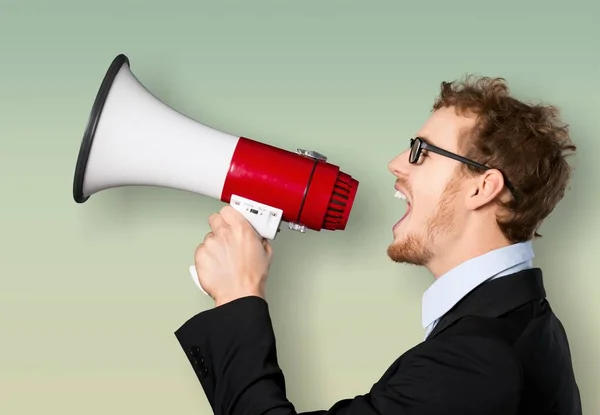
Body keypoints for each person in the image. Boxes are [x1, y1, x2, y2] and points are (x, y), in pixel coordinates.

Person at [174, 76, 583, 414]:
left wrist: (237, 296)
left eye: (421, 152)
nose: (396, 163)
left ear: (483, 187)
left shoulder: (479, 359)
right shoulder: (523, 323)